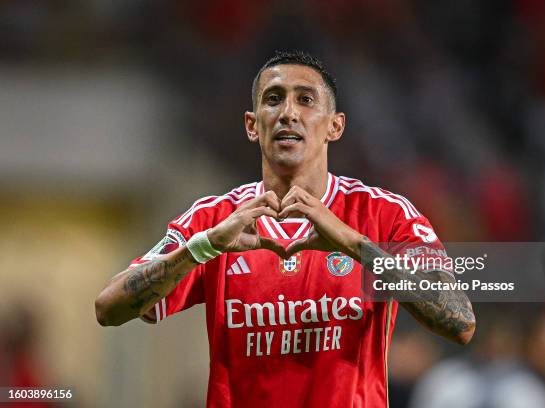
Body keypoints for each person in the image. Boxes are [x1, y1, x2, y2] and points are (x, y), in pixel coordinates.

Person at [94, 50, 475, 407]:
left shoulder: (383, 213)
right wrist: (202, 247)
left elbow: (460, 320)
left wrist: (355, 244)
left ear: (335, 126)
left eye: (306, 100)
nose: (288, 113)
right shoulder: (216, 219)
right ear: (251, 125)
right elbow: (108, 308)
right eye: (274, 99)